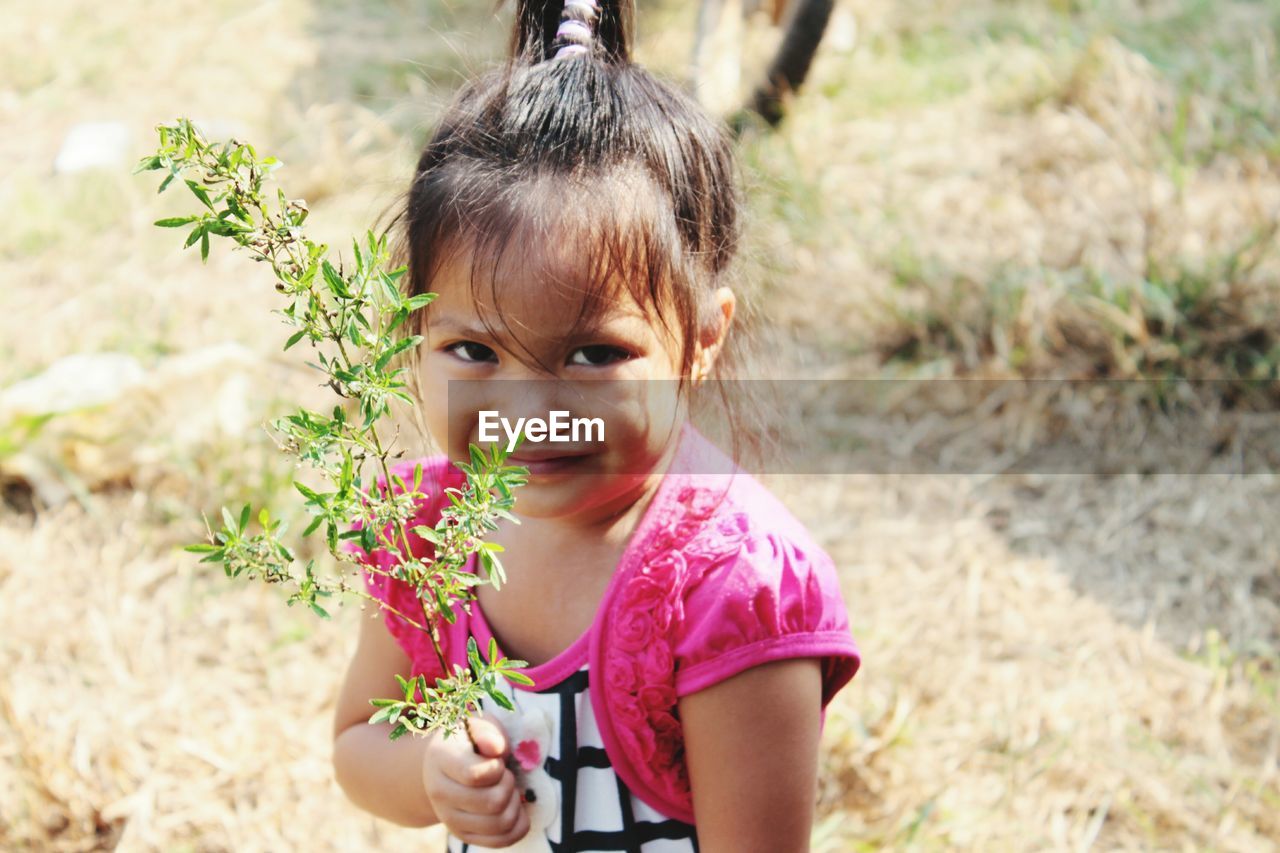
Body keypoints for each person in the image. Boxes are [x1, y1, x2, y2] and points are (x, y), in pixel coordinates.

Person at [331, 1, 860, 849]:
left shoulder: (728, 588)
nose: (527, 411)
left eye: (591, 355)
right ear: (411, 334)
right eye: (471, 349)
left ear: (702, 339)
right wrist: (429, 771)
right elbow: (358, 742)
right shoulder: (426, 534)